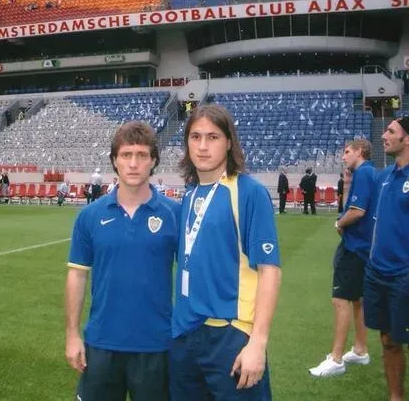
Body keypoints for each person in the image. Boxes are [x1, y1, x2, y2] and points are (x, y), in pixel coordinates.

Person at [169, 104, 281, 400]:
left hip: (229, 336)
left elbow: (270, 271)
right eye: (195, 137)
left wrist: (257, 342)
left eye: (213, 137)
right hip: (184, 334)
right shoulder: (190, 193)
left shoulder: (248, 192)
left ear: (229, 142)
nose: (203, 146)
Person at [65, 121, 179, 401]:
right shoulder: (89, 216)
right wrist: (72, 335)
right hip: (102, 344)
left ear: (153, 161)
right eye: (126, 155)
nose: (133, 163)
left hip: (157, 345)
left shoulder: (175, 214)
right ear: (114, 161)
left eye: (142, 155)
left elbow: (194, 276)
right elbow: (77, 276)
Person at [309, 139, 376, 377]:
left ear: (360, 151)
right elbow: (351, 204)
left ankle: (336, 358)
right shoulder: (362, 174)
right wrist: (347, 183)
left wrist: (339, 223)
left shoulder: (366, 173)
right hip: (359, 245)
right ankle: (360, 349)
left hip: (355, 246)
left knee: (340, 299)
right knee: (357, 299)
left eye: (347, 152)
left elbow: (357, 211)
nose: (343, 156)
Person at [364, 116, 409, 401]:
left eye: (391, 131)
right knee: (388, 339)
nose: (383, 136)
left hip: (405, 273)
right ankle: (396, 397)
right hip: (378, 272)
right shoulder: (386, 176)